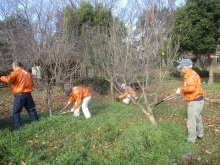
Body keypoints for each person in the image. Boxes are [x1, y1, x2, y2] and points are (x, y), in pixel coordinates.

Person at [0, 61, 39, 130]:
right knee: (31, 109)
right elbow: (32, 84)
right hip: (28, 94)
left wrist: (1, 77)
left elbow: (8, 79)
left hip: (20, 95)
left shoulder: (16, 72)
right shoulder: (27, 73)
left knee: (16, 112)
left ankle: (18, 127)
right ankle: (36, 123)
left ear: (15, 66)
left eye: (13, 67)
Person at [175, 59, 204, 143]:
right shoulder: (190, 74)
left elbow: (191, 88)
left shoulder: (191, 75)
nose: (181, 69)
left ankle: (191, 140)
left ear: (187, 67)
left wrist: (180, 89)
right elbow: (192, 88)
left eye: (182, 67)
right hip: (198, 100)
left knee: (191, 121)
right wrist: (183, 93)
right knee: (198, 119)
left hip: (194, 102)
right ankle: (200, 135)